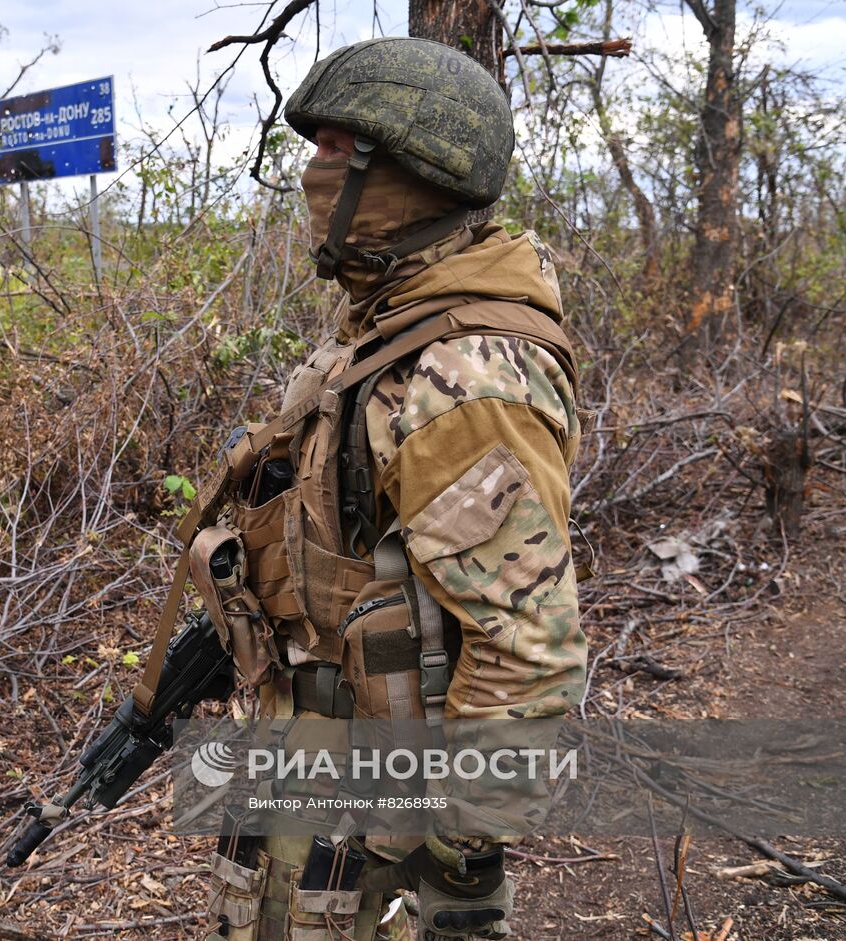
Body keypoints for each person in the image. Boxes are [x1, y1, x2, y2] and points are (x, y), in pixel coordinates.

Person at [193, 37, 587, 941]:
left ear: (407, 177)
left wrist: (454, 852)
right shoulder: (384, 328)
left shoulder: (467, 377)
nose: (311, 173)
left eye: (337, 152)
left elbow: (529, 646)